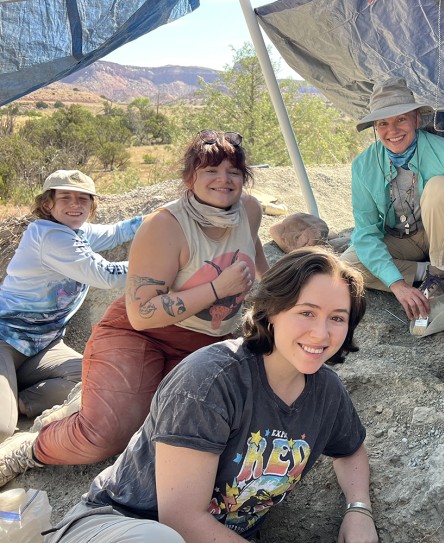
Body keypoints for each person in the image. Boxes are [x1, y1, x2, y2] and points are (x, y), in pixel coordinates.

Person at [44, 247, 377, 543]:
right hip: (121, 525)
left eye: (337, 318)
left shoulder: (325, 390)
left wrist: (359, 509)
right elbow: (182, 521)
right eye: (307, 312)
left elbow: (350, 449)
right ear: (272, 312)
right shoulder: (210, 381)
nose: (321, 333)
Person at [0, 130, 270, 487]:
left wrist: (286, 288)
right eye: (210, 170)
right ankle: (28, 448)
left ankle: (87, 398)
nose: (223, 179)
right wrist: (217, 287)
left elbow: (254, 253)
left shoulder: (249, 209)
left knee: (205, 427)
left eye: (233, 171)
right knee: (107, 434)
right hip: (143, 334)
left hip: (202, 341)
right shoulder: (163, 226)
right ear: (189, 177)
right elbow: (142, 313)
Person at [341, 78, 444, 320]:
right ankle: (437, 272)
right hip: (403, 240)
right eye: (383, 123)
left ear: (416, 119)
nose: (392, 131)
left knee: (439, 187)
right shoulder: (362, 166)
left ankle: (441, 271)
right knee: (345, 267)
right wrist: (397, 283)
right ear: (375, 127)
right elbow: (366, 232)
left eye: (401, 119)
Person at [0, 170, 142, 442]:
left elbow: (116, 233)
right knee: (2, 429)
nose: (75, 204)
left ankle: (18, 399)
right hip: (4, 341)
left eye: (83, 199)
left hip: (44, 346)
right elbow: (106, 275)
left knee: (96, 380)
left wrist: (169, 215)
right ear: (47, 204)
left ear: (91, 205)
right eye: (65, 197)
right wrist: (165, 264)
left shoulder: (78, 230)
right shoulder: (48, 235)